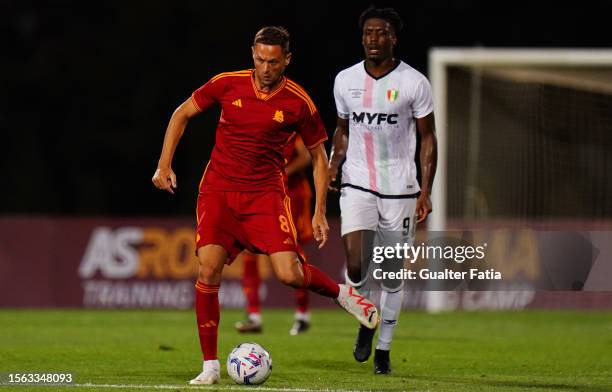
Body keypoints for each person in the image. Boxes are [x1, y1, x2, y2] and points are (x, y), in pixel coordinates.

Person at [152, 26, 379, 385]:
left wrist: (320, 210)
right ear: (252, 55)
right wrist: (164, 164)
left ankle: (344, 295)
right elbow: (182, 113)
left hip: (265, 196)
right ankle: (210, 365)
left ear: (287, 60)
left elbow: (319, 157)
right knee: (208, 269)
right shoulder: (227, 84)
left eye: (274, 61)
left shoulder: (298, 102)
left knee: (289, 273)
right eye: (260, 59)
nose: (266, 67)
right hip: (219, 191)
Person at [328, 7, 438, 375]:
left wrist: (425, 190)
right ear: (362, 38)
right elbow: (342, 129)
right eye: (368, 33)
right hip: (358, 182)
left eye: (381, 33)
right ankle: (365, 314)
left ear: (394, 38)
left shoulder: (414, 83)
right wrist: (333, 164)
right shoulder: (345, 80)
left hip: (401, 189)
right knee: (356, 264)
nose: (373, 39)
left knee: (391, 275)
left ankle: (383, 350)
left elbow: (428, 138)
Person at [235, 135, 315, 335]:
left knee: (292, 252)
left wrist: (283, 173)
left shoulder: (289, 125)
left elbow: (306, 157)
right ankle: (253, 316)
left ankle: (302, 314)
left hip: (291, 194)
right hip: (261, 192)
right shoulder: (252, 126)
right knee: (249, 250)